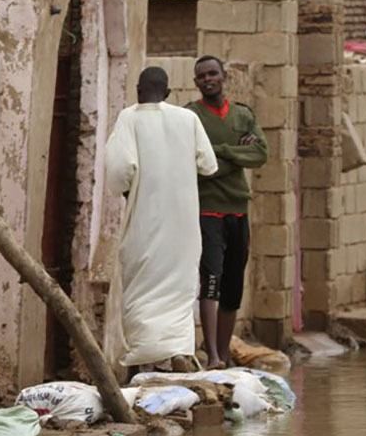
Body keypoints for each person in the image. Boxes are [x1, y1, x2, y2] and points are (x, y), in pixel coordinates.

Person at [105, 66, 218, 373]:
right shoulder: (188, 119)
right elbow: (208, 165)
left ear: (138, 91)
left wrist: (131, 191)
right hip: (183, 225)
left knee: (141, 290)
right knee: (180, 291)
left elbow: (118, 172)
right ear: (168, 93)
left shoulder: (130, 118)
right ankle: (180, 354)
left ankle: (139, 363)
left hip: (145, 220)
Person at [188, 55, 268, 369]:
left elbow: (260, 153)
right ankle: (213, 356)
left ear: (224, 77)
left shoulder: (242, 116)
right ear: (196, 82)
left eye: (213, 74)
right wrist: (237, 155)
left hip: (238, 211)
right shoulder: (190, 117)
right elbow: (198, 168)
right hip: (208, 211)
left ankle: (224, 355)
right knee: (211, 280)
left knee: (234, 283)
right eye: (202, 76)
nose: (208, 79)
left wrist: (220, 152)